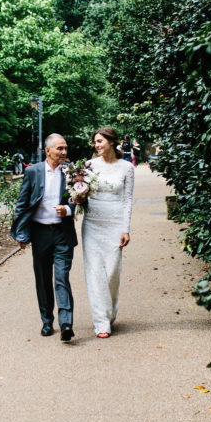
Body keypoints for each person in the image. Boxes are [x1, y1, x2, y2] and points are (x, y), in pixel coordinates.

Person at [10, 133, 77, 341]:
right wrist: (20, 232)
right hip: (40, 233)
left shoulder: (73, 172)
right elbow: (22, 203)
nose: (64, 152)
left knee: (62, 277)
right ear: (47, 151)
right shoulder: (34, 172)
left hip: (62, 233)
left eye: (65, 148)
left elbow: (81, 199)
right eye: (60, 149)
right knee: (43, 279)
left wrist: (68, 209)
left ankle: (66, 323)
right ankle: (47, 321)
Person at [78, 126, 135, 338]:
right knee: (94, 272)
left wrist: (125, 228)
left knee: (112, 272)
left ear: (111, 141)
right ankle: (101, 321)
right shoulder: (89, 165)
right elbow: (80, 191)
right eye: (95, 142)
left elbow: (128, 199)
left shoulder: (127, 168)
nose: (96, 145)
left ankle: (110, 313)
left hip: (114, 223)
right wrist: (77, 197)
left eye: (100, 141)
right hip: (92, 223)